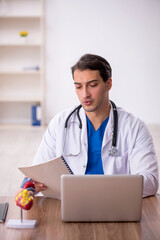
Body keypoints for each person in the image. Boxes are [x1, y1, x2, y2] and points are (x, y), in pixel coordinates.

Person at [33, 53, 159, 197]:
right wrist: (31, 186)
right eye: (78, 86)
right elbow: (39, 171)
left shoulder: (135, 128)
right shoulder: (60, 123)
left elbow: (150, 181)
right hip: (71, 204)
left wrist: (103, 189)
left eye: (92, 85)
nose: (85, 94)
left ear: (108, 84)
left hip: (115, 203)